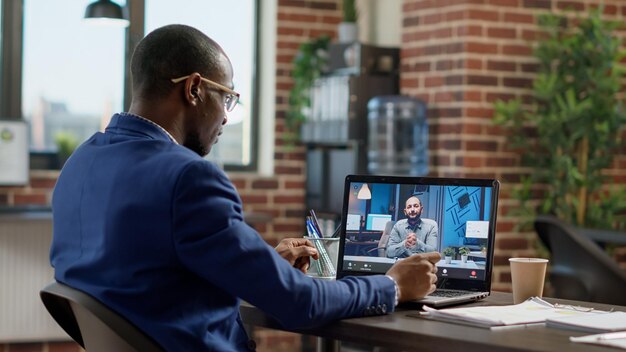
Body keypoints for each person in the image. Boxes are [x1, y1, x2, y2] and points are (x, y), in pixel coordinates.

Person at [49, 24, 441, 351]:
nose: (225, 117)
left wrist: (262, 265)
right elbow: (300, 303)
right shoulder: (189, 177)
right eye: (228, 98)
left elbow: (149, 279)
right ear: (194, 89)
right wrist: (391, 285)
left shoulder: (81, 163)